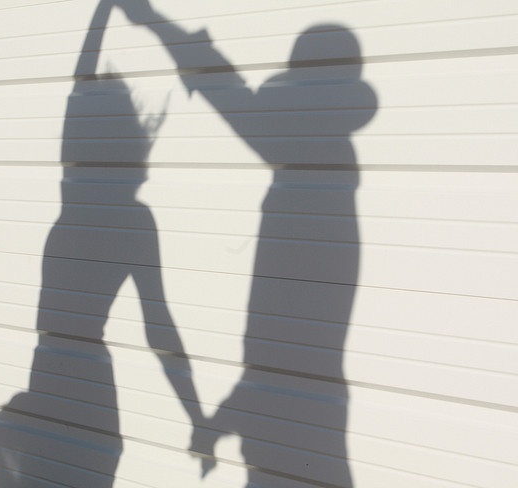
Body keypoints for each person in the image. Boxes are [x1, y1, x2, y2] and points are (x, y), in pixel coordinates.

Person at [0, 2, 203, 486]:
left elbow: (80, 88)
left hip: (50, 368)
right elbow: (158, 326)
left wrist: (103, 13)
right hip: (86, 379)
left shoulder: (73, 198)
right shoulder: (133, 220)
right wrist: (196, 415)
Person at [115, 2, 378, 486]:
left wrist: (154, 21)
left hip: (296, 428)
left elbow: (234, 99)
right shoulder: (321, 174)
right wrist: (225, 418)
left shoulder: (313, 175)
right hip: (290, 420)